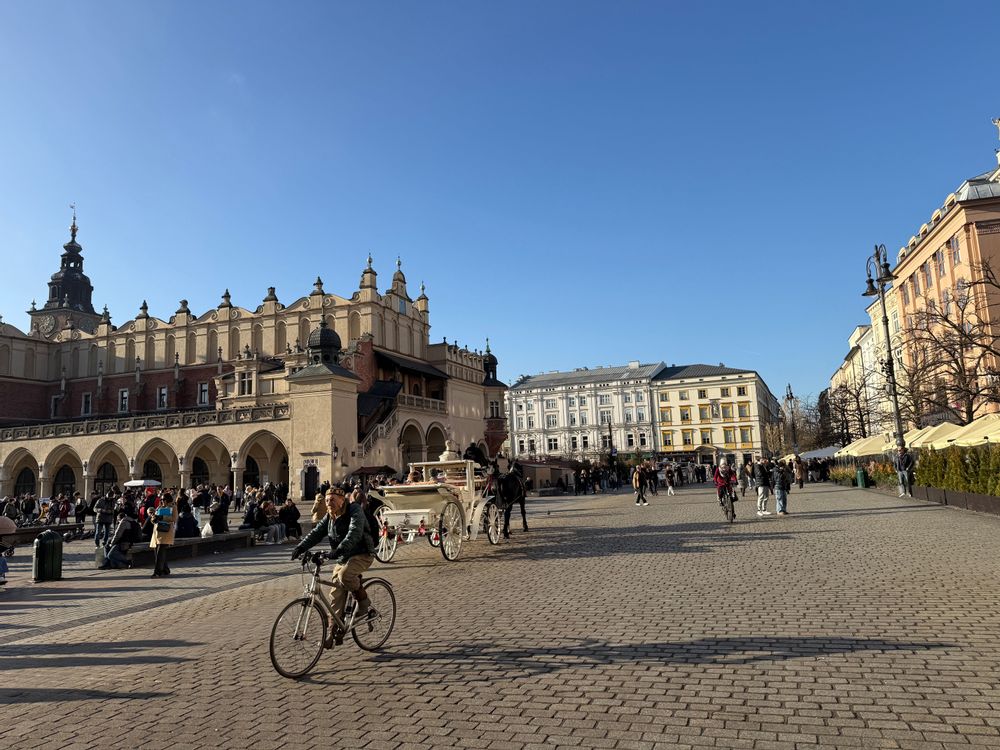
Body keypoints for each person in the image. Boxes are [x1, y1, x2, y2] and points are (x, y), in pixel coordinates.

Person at [291, 487, 375, 646]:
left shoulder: (354, 509)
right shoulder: (330, 516)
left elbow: (355, 532)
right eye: (327, 500)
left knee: (345, 576)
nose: (329, 503)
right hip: (344, 556)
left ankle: (364, 605)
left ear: (342, 500)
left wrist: (339, 550)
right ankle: (333, 631)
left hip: (362, 553)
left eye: (333, 500)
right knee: (335, 594)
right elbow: (316, 532)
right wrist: (301, 547)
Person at [150, 494, 176, 578]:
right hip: (157, 533)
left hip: (166, 532)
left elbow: (174, 518)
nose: (162, 501)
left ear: (168, 500)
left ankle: (157, 572)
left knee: (160, 553)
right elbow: (154, 517)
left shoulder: (173, 507)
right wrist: (153, 518)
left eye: (163, 499)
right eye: (161, 499)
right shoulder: (159, 507)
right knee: (158, 553)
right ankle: (165, 569)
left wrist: (162, 517)